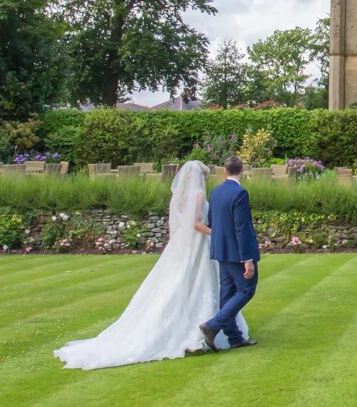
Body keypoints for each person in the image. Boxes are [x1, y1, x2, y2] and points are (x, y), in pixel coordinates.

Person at [54, 160, 247, 369]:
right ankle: (202, 330)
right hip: (198, 243)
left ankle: (199, 325)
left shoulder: (180, 195)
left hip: (182, 245)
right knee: (201, 281)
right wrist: (216, 234)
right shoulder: (199, 194)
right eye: (204, 176)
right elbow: (195, 224)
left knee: (180, 282)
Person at [198, 155, 260, 352]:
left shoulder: (215, 192)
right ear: (242, 170)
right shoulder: (240, 193)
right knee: (247, 289)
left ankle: (234, 337)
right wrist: (247, 259)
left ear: (225, 171)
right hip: (236, 252)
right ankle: (212, 325)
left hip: (220, 249)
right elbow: (241, 227)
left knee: (227, 292)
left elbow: (212, 221)